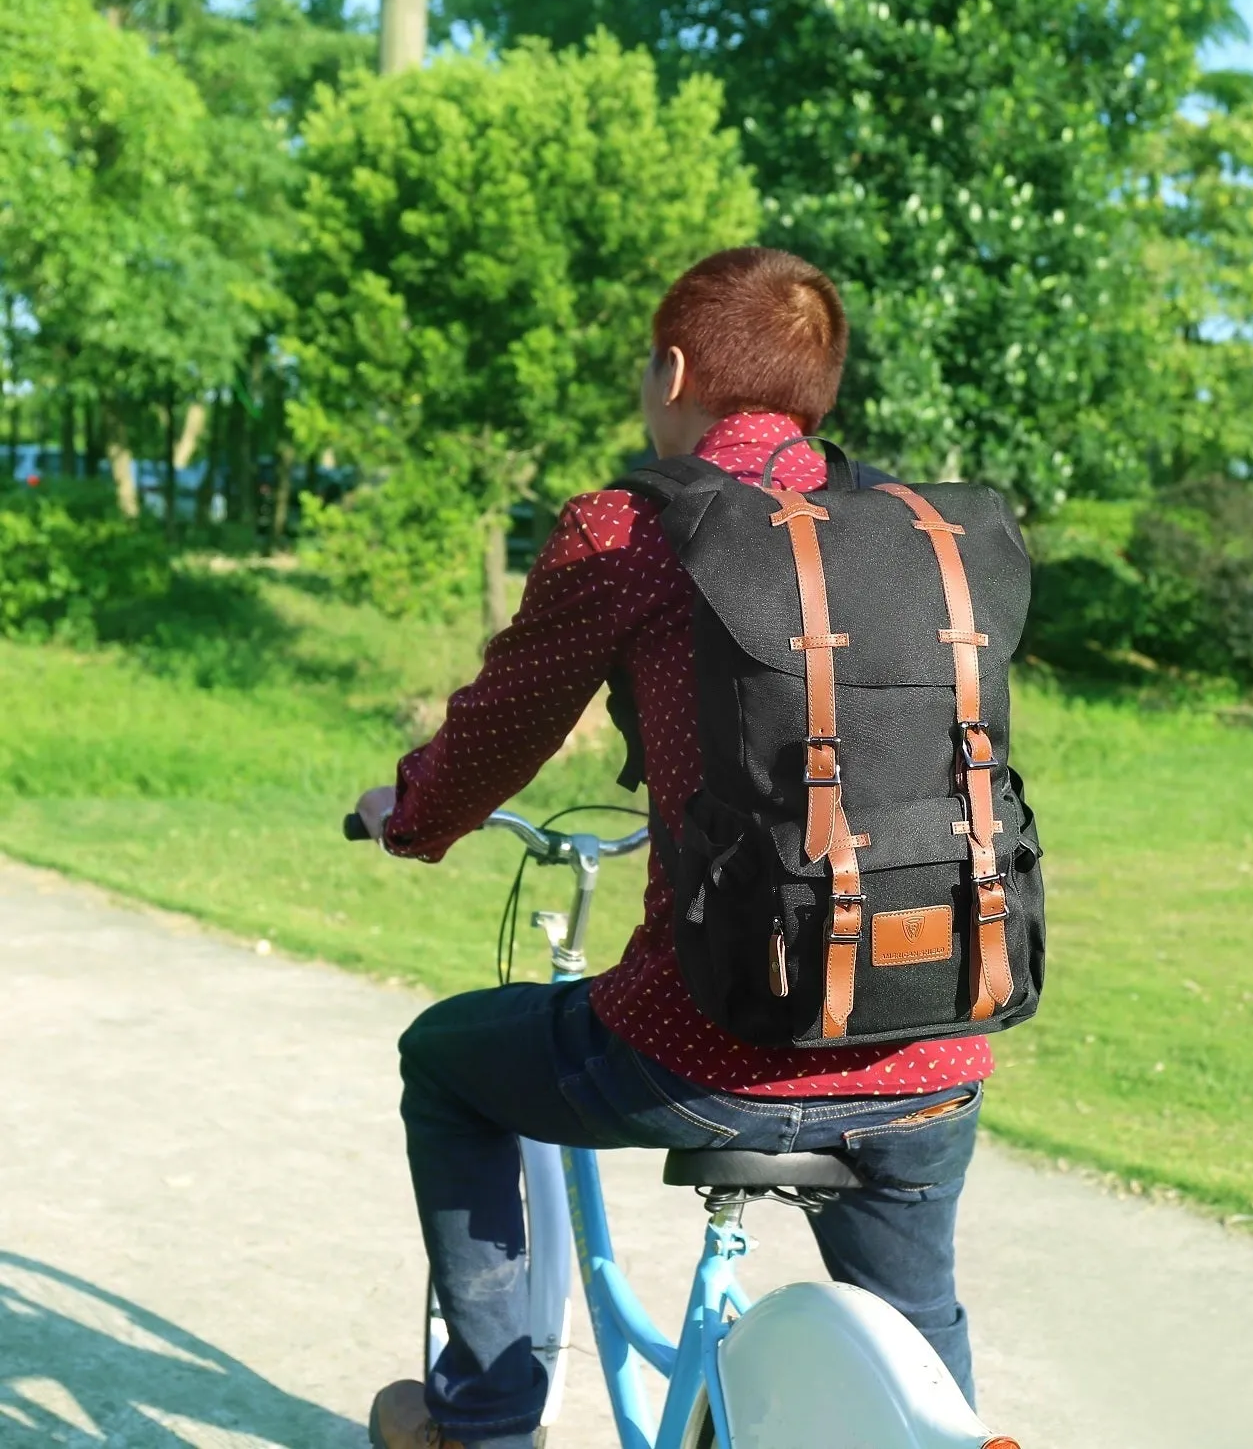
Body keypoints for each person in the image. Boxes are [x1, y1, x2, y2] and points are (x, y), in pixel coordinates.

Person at [357, 247, 994, 1449]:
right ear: (817, 394)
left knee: (442, 1060)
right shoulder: (918, 535)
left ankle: (481, 1421)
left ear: (674, 369)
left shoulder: (632, 530)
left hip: (704, 1041)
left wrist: (412, 816)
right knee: (912, 1353)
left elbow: (503, 724)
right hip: (928, 1041)